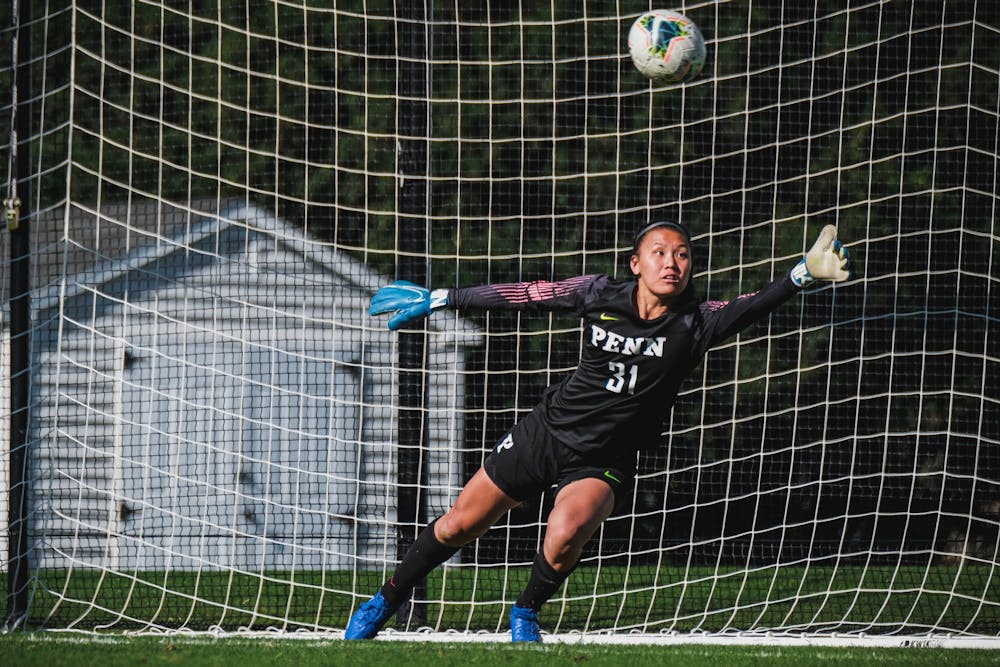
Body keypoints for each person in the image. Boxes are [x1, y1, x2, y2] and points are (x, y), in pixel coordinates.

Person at [346, 221, 851, 642]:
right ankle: (384, 600)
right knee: (459, 524)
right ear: (636, 263)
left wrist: (803, 274)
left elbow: (754, 304)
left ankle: (525, 613)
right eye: (659, 252)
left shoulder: (695, 323)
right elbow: (527, 295)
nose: (671, 262)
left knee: (565, 534)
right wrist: (443, 297)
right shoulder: (597, 293)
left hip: (604, 456)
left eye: (682, 255)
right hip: (547, 432)